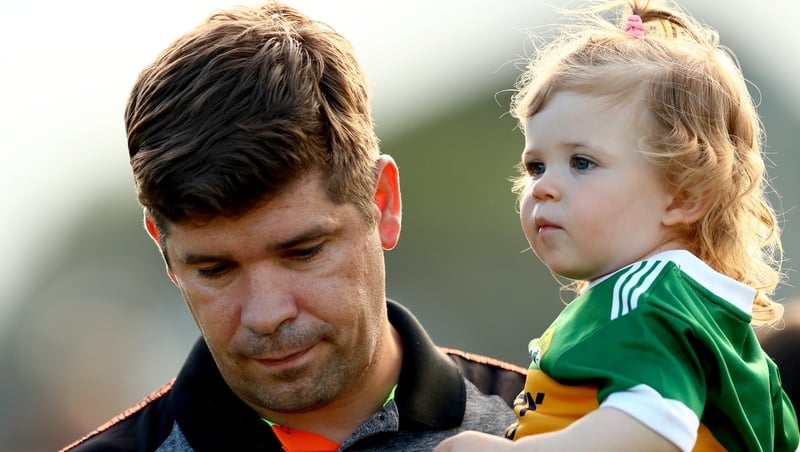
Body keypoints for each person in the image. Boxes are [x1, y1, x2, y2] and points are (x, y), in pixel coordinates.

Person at [61, 2, 526, 451]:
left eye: (303, 252)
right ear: (164, 250)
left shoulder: (559, 428)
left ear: (382, 203)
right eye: (215, 270)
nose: (266, 315)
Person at [435, 0, 800, 451]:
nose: (544, 187)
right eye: (535, 166)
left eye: (582, 162)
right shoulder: (681, 305)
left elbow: (650, 431)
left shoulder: (648, 300)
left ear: (683, 195)